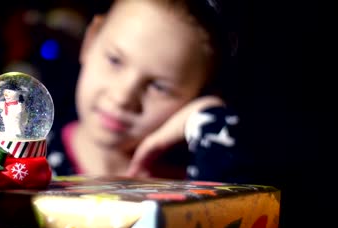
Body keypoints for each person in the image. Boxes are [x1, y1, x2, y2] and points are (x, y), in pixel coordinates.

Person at [45, 0, 243, 181]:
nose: (122, 97)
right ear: (90, 41)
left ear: (198, 94)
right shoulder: (27, 162)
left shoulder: (193, 178)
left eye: (159, 87)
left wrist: (208, 115)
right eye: (115, 60)